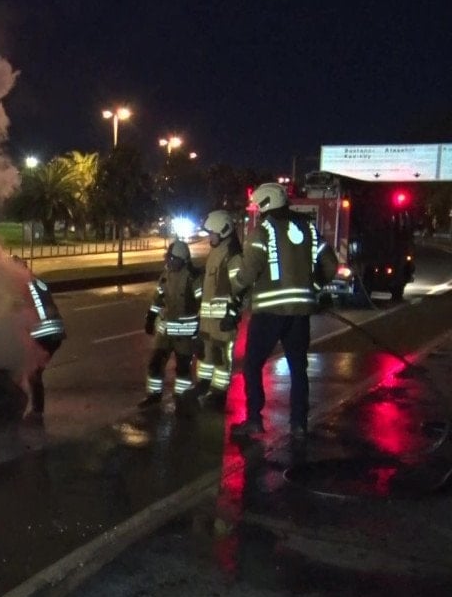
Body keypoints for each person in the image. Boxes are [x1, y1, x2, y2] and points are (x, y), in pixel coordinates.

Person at [222, 182, 338, 437]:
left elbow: (248, 273)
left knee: (253, 366)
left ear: (265, 204)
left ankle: (254, 419)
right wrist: (312, 287)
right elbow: (331, 265)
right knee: (298, 368)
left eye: (258, 207)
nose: (257, 211)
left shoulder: (262, 231)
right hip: (300, 313)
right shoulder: (309, 228)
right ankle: (298, 424)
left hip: (269, 313)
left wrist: (235, 280)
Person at [139, 239, 202, 408]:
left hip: (184, 334)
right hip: (165, 332)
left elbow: (202, 304)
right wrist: (151, 317)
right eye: (169, 258)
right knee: (155, 363)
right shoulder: (166, 275)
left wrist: (200, 331)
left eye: (173, 259)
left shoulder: (192, 278)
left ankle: (182, 399)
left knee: (182, 369)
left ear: (182, 259)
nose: (169, 261)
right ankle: (154, 395)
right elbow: (158, 299)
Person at [194, 210, 243, 410]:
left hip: (223, 321)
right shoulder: (216, 253)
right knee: (206, 355)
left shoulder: (232, 256)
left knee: (221, 357)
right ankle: (204, 385)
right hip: (208, 320)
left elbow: (240, 287)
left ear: (223, 231)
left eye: (212, 233)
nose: (210, 237)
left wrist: (232, 313)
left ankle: (219, 393)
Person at [14, 256, 65, 419]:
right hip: (56, 331)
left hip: (44, 332)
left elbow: (15, 311)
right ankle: (35, 409)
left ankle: (33, 411)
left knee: (30, 371)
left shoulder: (22, 286)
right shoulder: (37, 281)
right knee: (34, 371)